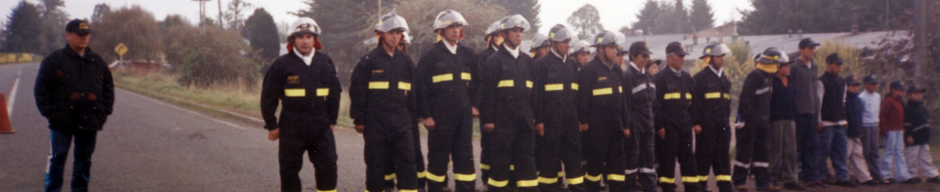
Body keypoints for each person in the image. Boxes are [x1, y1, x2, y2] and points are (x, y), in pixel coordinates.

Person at [260, 17, 341, 192]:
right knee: (289, 170)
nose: (305, 41)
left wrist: (332, 121)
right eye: (300, 37)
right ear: (293, 40)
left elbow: (335, 94)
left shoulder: (326, 62)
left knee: (328, 166)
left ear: (315, 39)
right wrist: (272, 125)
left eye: (309, 36)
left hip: (320, 125)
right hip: (292, 125)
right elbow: (268, 96)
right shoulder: (281, 64)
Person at [34, 19, 114, 192]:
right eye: (80, 35)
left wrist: (104, 112)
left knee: (84, 160)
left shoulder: (98, 62)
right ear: (68, 35)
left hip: (89, 120)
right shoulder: (53, 60)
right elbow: (41, 90)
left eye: (87, 35)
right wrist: (50, 113)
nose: (84, 38)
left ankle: (79, 189)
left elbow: (108, 88)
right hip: (61, 122)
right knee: (57, 158)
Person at [349, 13, 420, 192]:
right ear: (381, 34)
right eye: (391, 32)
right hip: (376, 122)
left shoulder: (406, 61)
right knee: (376, 165)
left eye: (398, 32)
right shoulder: (368, 60)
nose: (395, 36)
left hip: (402, 121)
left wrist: (415, 115)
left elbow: (414, 91)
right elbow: (358, 91)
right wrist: (359, 119)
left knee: (407, 163)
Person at [414, 9, 481, 192]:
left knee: (465, 154)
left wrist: (474, 105)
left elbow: (478, 83)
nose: (455, 30)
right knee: (438, 155)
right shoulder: (431, 55)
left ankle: (466, 187)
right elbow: (420, 88)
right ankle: (436, 188)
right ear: (441, 30)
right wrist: (426, 115)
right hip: (440, 115)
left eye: (458, 26)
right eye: (451, 27)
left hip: (464, 114)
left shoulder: (468, 54)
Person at [480, 14, 539, 191]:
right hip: (502, 120)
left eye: (520, 31)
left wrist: (533, 116)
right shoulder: (494, 61)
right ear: (504, 35)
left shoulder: (528, 61)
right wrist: (488, 119)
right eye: (514, 31)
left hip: (524, 120)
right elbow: (487, 93)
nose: (519, 35)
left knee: (526, 158)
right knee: (501, 160)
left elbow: (534, 93)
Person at [532, 24, 585, 192]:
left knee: (574, 158)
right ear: (553, 44)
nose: (568, 46)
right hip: (550, 123)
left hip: (570, 122)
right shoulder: (541, 65)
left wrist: (579, 119)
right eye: (564, 42)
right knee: (549, 160)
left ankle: (577, 188)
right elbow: (537, 96)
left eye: (568, 42)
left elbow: (577, 96)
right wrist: (538, 121)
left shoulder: (571, 64)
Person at [576, 30, 630, 191]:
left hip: (616, 128)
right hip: (597, 130)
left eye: (616, 47)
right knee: (594, 168)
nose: (615, 51)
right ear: (600, 49)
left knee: (617, 169)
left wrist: (626, 124)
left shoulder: (618, 70)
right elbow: (583, 99)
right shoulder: (588, 70)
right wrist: (584, 121)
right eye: (612, 47)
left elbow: (623, 101)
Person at [734, 47, 785, 191]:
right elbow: (745, 98)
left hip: (763, 122)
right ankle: (739, 181)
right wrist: (742, 119)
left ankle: (763, 183)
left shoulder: (769, 77)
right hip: (749, 123)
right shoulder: (755, 75)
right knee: (744, 153)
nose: (778, 66)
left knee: (762, 154)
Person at [654, 39, 698, 192]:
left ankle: (692, 188)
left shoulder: (687, 78)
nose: (682, 59)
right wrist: (659, 126)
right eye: (679, 56)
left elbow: (693, 102)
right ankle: (668, 189)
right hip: (668, 128)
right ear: (669, 57)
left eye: (683, 56)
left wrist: (690, 121)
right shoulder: (660, 78)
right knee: (668, 161)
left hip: (685, 127)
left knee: (688, 159)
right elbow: (656, 105)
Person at [690, 42, 733, 192]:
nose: (722, 58)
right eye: (718, 56)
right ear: (709, 58)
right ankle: (700, 187)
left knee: (722, 158)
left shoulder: (724, 79)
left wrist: (727, 121)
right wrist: (696, 123)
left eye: (723, 55)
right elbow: (695, 103)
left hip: (722, 125)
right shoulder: (700, 78)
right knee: (703, 157)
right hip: (706, 126)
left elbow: (727, 103)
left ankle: (725, 186)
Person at [622, 41, 661, 192]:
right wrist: (626, 126)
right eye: (642, 56)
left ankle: (650, 188)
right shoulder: (627, 76)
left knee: (648, 161)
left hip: (648, 124)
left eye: (647, 56)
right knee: (632, 160)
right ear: (633, 56)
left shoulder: (649, 77)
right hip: (633, 125)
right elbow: (624, 103)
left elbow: (653, 103)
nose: (646, 59)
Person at [815, 53, 856, 188]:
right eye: (836, 64)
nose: (839, 67)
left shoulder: (842, 81)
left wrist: (844, 119)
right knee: (823, 151)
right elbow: (818, 103)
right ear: (828, 64)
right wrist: (819, 121)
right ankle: (820, 176)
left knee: (841, 152)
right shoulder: (821, 81)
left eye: (840, 65)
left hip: (840, 123)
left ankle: (843, 177)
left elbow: (843, 101)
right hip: (826, 123)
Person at [790, 38, 825, 188]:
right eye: (809, 48)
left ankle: (811, 177)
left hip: (812, 113)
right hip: (798, 113)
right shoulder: (794, 67)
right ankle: (792, 177)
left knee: (812, 146)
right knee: (794, 147)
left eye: (813, 48)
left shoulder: (814, 66)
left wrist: (816, 111)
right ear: (801, 49)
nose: (812, 51)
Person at [768, 59, 805, 190]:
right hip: (776, 120)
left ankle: (791, 179)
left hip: (790, 119)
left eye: (789, 66)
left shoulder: (791, 82)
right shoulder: (772, 82)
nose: (788, 68)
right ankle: (771, 179)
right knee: (776, 151)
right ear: (778, 68)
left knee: (791, 150)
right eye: (785, 66)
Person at [477, 19, 502, 186]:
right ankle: (487, 176)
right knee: (488, 143)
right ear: (491, 38)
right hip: (489, 108)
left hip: (504, 110)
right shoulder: (483, 57)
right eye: (498, 36)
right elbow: (481, 86)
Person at [879, 81, 916, 184]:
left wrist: (903, 127)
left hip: (899, 130)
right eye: (900, 90)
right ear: (893, 90)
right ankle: (886, 173)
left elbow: (902, 115)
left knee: (899, 151)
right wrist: (883, 129)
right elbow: (882, 116)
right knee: (889, 151)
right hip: (890, 130)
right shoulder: (888, 101)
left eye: (903, 90)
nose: (902, 92)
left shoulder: (900, 101)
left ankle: (902, 175)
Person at [903, 85, 940, 184]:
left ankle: (931, 174)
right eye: (915, 94)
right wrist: (908, 136)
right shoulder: (908, 108)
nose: (918, 96)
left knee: (926, 156)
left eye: (920, 94)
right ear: (909, 95)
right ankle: (911, 174)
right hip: (914, 137)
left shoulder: (922, 106)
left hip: (923, 135)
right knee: (912, 157)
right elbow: (906, 125)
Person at [844, 75, 876, 186]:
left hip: (856, 132)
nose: (855, 88)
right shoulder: (844, 100)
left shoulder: (858, 100)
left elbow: (860, 116)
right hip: (847, 133)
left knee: (858, 154)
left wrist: (860, 129)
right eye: (852, 86)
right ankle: (844, 177)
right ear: (846, 87)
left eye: (857, 86)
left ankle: (864, 177)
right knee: (845, 155)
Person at [858, 75, 888, 184]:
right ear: (865, 84)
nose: (874, 86)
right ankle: (866, 174)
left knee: (874, 150)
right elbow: (860, 114)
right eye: (872, 83)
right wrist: (860, 128)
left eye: (875, 83)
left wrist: (879, 125)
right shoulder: (861, 97)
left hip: (874, 124)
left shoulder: (877, 96)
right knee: (866, 151)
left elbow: (877, 111)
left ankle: (878, 174)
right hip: (865, 125)